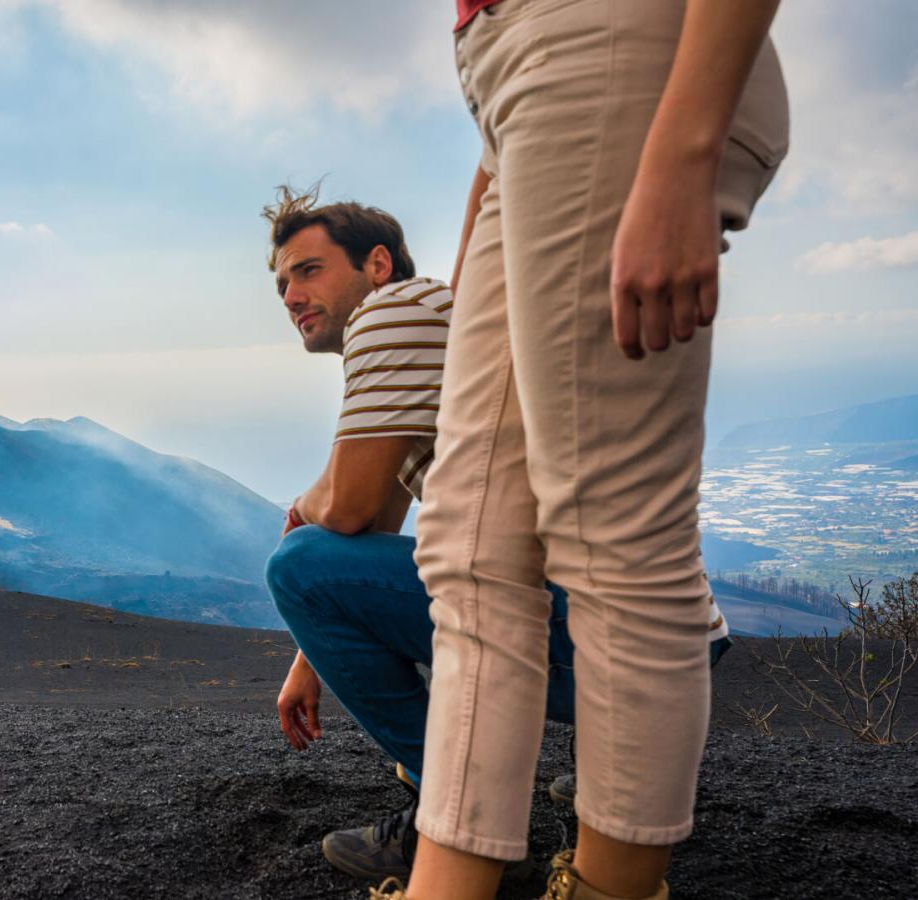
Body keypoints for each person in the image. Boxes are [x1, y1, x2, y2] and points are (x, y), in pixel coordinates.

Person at [375, 2, 789, 899]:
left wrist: (680, 156)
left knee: (613, 534)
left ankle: (613, 888)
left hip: (606, 48)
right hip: (514, 92)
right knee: (468, 544)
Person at [259, 185, 730, 884]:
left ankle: (452, 812)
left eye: (309, 270)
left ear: (379, 265)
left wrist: (300, 510)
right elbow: (373, 525)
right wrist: (310, 658)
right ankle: (592, 780)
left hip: (593, 638)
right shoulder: (434, 323)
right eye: (281, 284)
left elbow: (348, 511)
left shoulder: (392, 315)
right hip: (668, 639)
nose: (292, 294)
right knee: (318, 560)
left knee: (296, 563)